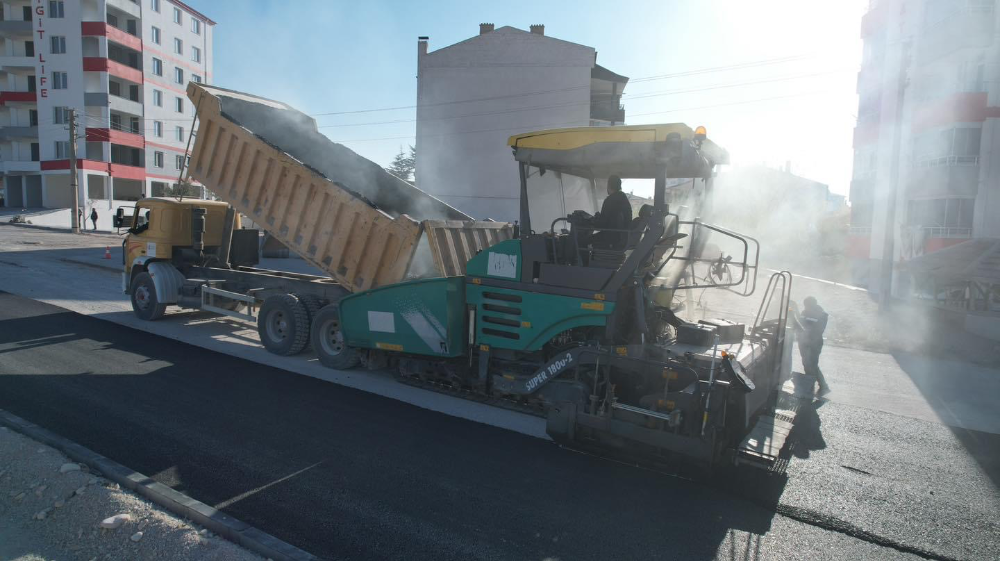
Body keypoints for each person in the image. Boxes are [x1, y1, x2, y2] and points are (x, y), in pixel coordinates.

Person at [793, 296, 830, 395]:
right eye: (805, 306)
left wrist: (805, 333)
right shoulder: (804, 312)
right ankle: (810, 386)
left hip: (814, 343)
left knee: (812, 364)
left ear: (813, 305)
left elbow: (818, 330)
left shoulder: (822, 315)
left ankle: (823, 386)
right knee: (806, 363)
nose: (806, 308)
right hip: (804, 342)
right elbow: (799, 324)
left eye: (808, 306)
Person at [589, 175, 632, 248]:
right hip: (622, 236)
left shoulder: (609, 200)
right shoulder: (624, 199)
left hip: (611, 237)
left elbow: (602, 224)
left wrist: (592, 221)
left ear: (609, 185)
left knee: (582, 240)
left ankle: (581, 259)